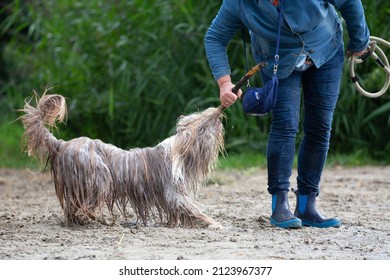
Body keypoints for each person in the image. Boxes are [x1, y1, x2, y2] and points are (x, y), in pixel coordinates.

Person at [204, 0, 370, 229]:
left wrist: (360, 41)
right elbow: (214, 37)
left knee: (320, 126)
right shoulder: (238, 3)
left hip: (325, 50)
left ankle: (307, 205)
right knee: (285, 126)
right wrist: (224, 83)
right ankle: (279, 205)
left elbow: (350, 2)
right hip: (277, 61)